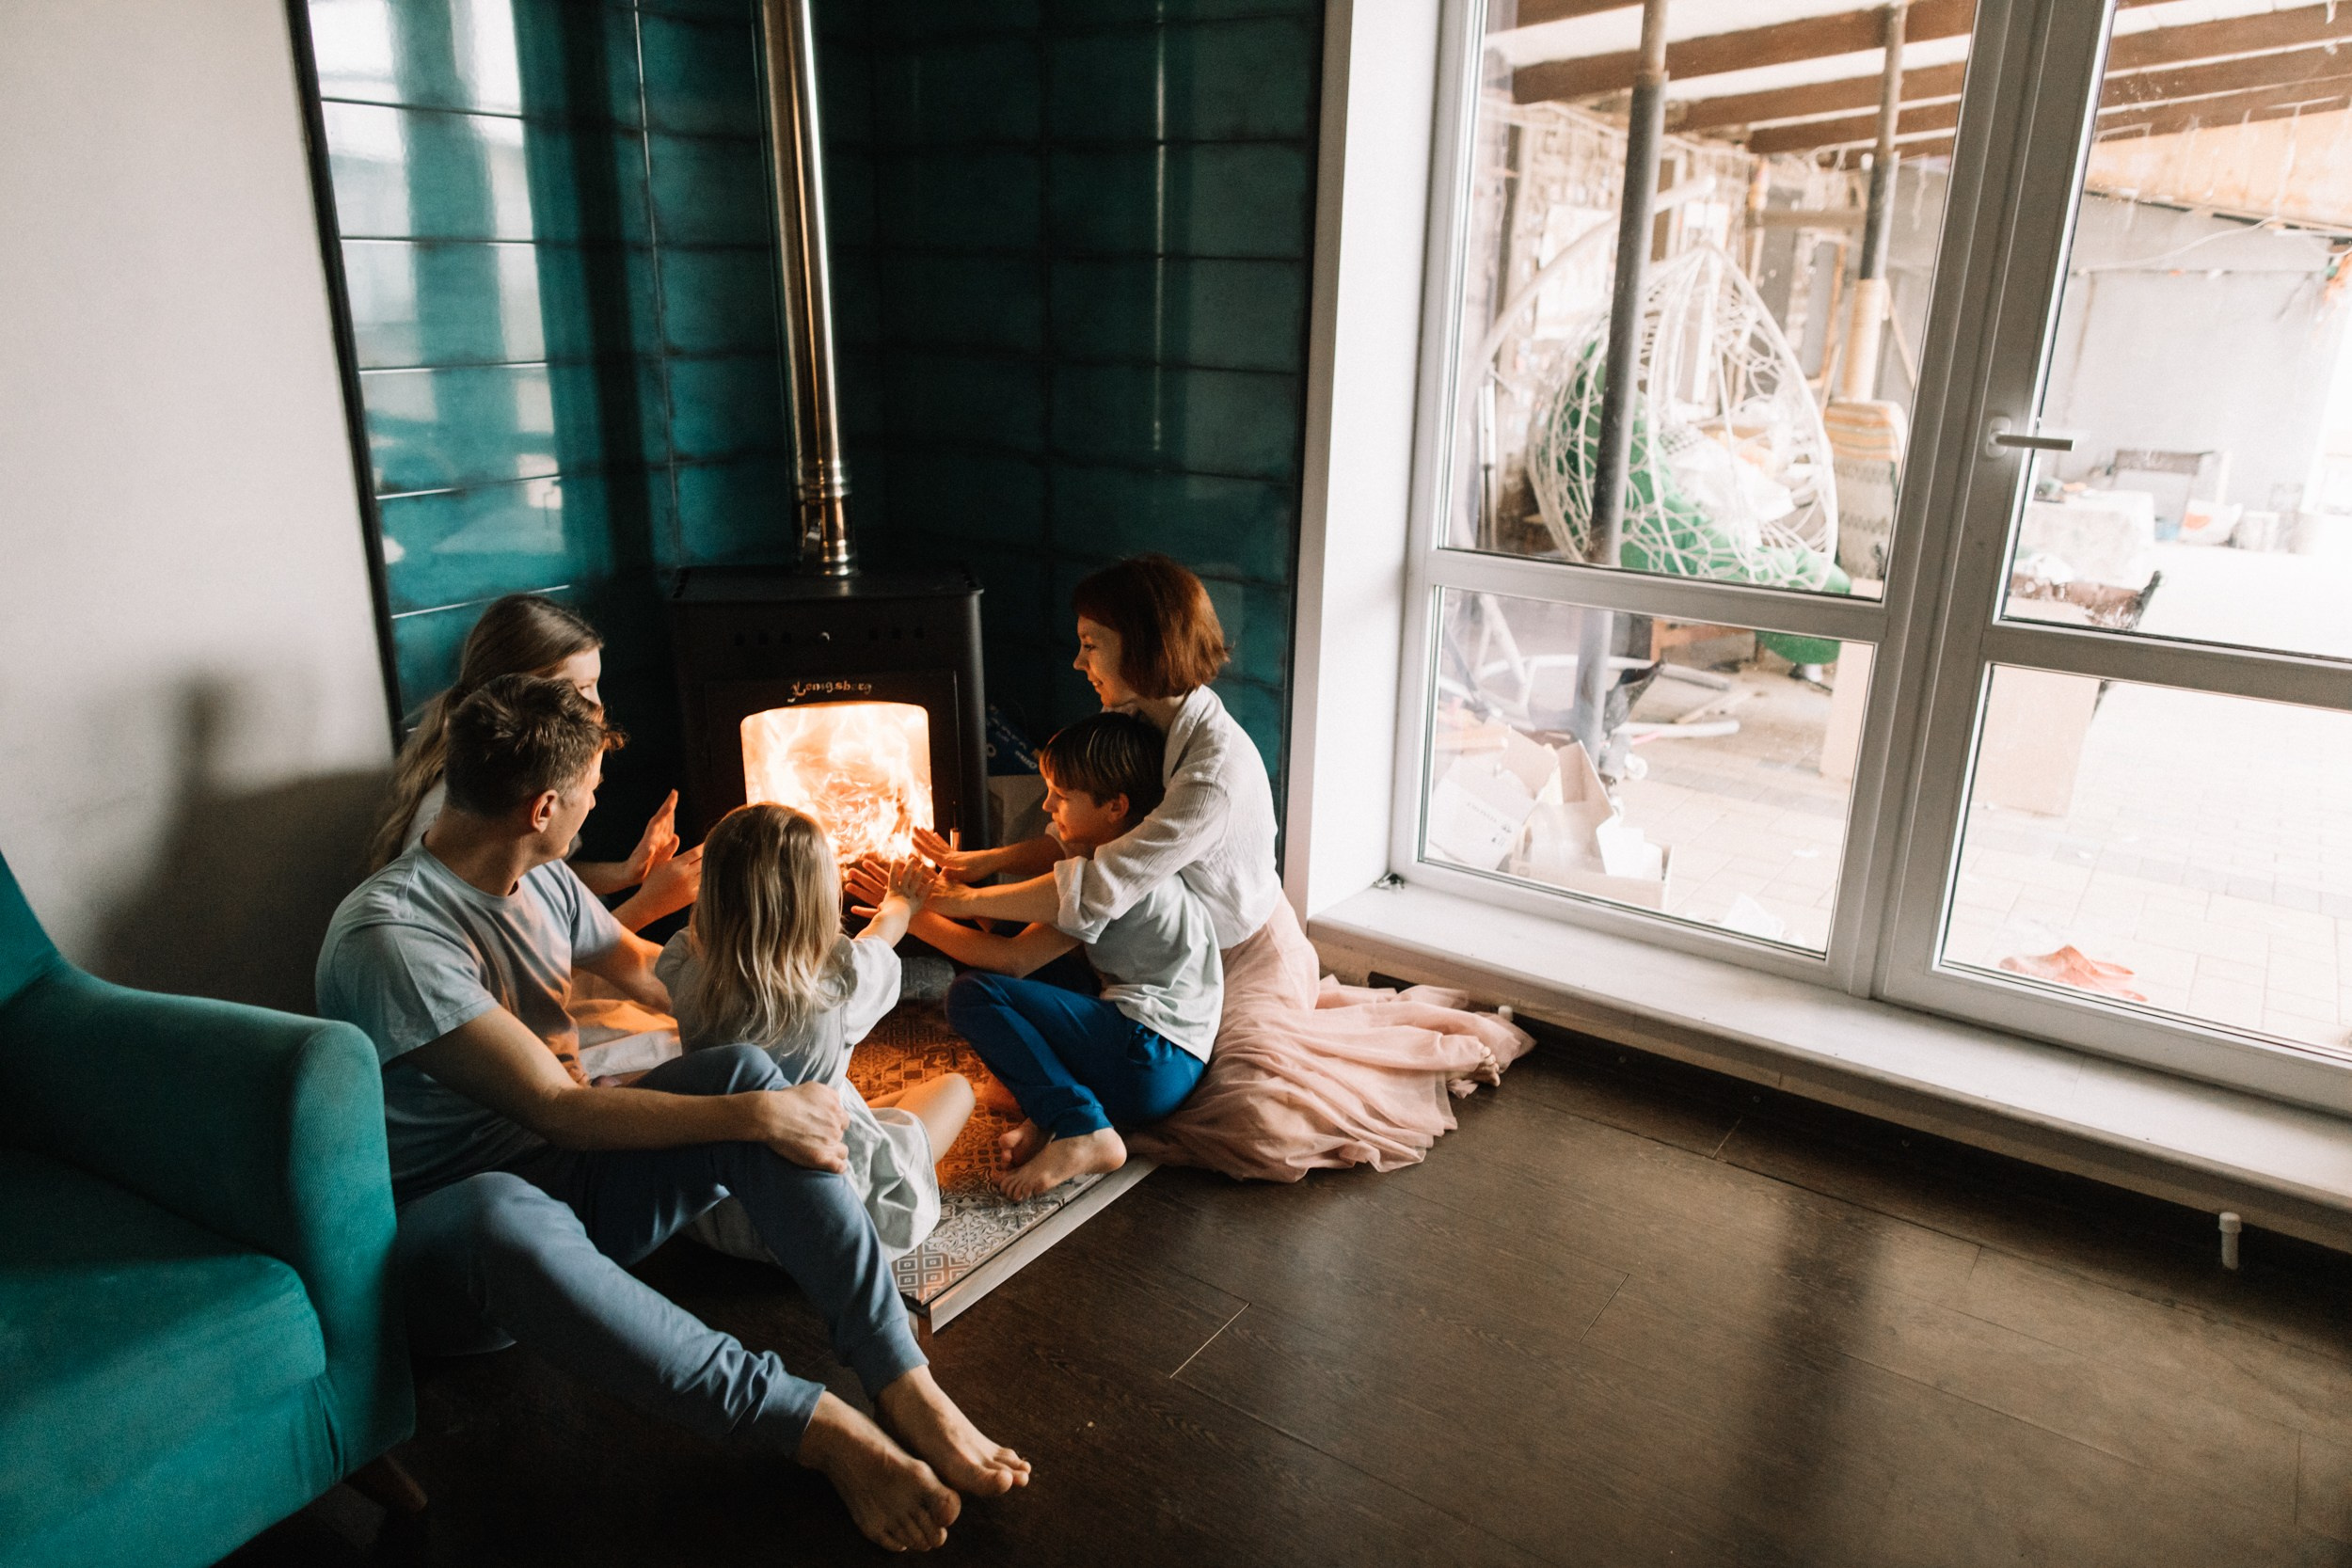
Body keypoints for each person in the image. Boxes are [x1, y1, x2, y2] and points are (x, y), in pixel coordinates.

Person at [317, 673, 1025, 1552]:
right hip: (458, 1246)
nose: (591, 810)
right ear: (543, 806)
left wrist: (777, 964)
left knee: (746, 1072)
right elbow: (560, 1108)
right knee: (518, 1203)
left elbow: (661, 977)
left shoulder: (543, 881)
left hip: (574, 1178)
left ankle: (901, 1379)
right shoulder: (393, 937)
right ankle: (811, 1425)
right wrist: (758, 1119)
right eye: (587, 796)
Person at [916, 555, 1532, 1182]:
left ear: (1143, 646)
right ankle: (1066, 1115)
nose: (1079, 661)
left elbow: (1104, 879)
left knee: (1251, 1115)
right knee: (1038, 1013)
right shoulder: (1134, 719)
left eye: (1091, 645)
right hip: (1163, 944)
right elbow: (1079, 838)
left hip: (1244, 953)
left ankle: (1078, 1121)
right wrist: (977, 864)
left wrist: (950, 901)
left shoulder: (1213, 772)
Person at [909, 712, 1221, 1199]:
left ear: (1115, 806)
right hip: (1164, 1064)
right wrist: (960, 883)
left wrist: (912, 917)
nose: (1048, 803)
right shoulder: (1129, 861)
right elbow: (1021, 945)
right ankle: (1049, 1117)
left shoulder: (1108, 882)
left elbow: (1010, 962)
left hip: (1149, 1056)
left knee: (972, 995)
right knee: (1021, 949)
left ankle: (1082, 1126)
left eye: (1062, 795)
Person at [658, 803, 975, 1259]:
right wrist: (900, 902)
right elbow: (880, 938)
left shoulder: (685, 969)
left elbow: (699, 937)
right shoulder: (840, 984)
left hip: (721, 1211)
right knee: (956, 1088)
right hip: (822, 1215)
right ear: (817, 896)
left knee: (838, 1098)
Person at [364, 593, 699, 933]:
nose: (598, 706)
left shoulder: (519, 774)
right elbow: (537, 968)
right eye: (579, 689)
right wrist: (648, 905)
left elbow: (543, 877)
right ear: (520, 693)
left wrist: (627, 873)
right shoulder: (467, 815)